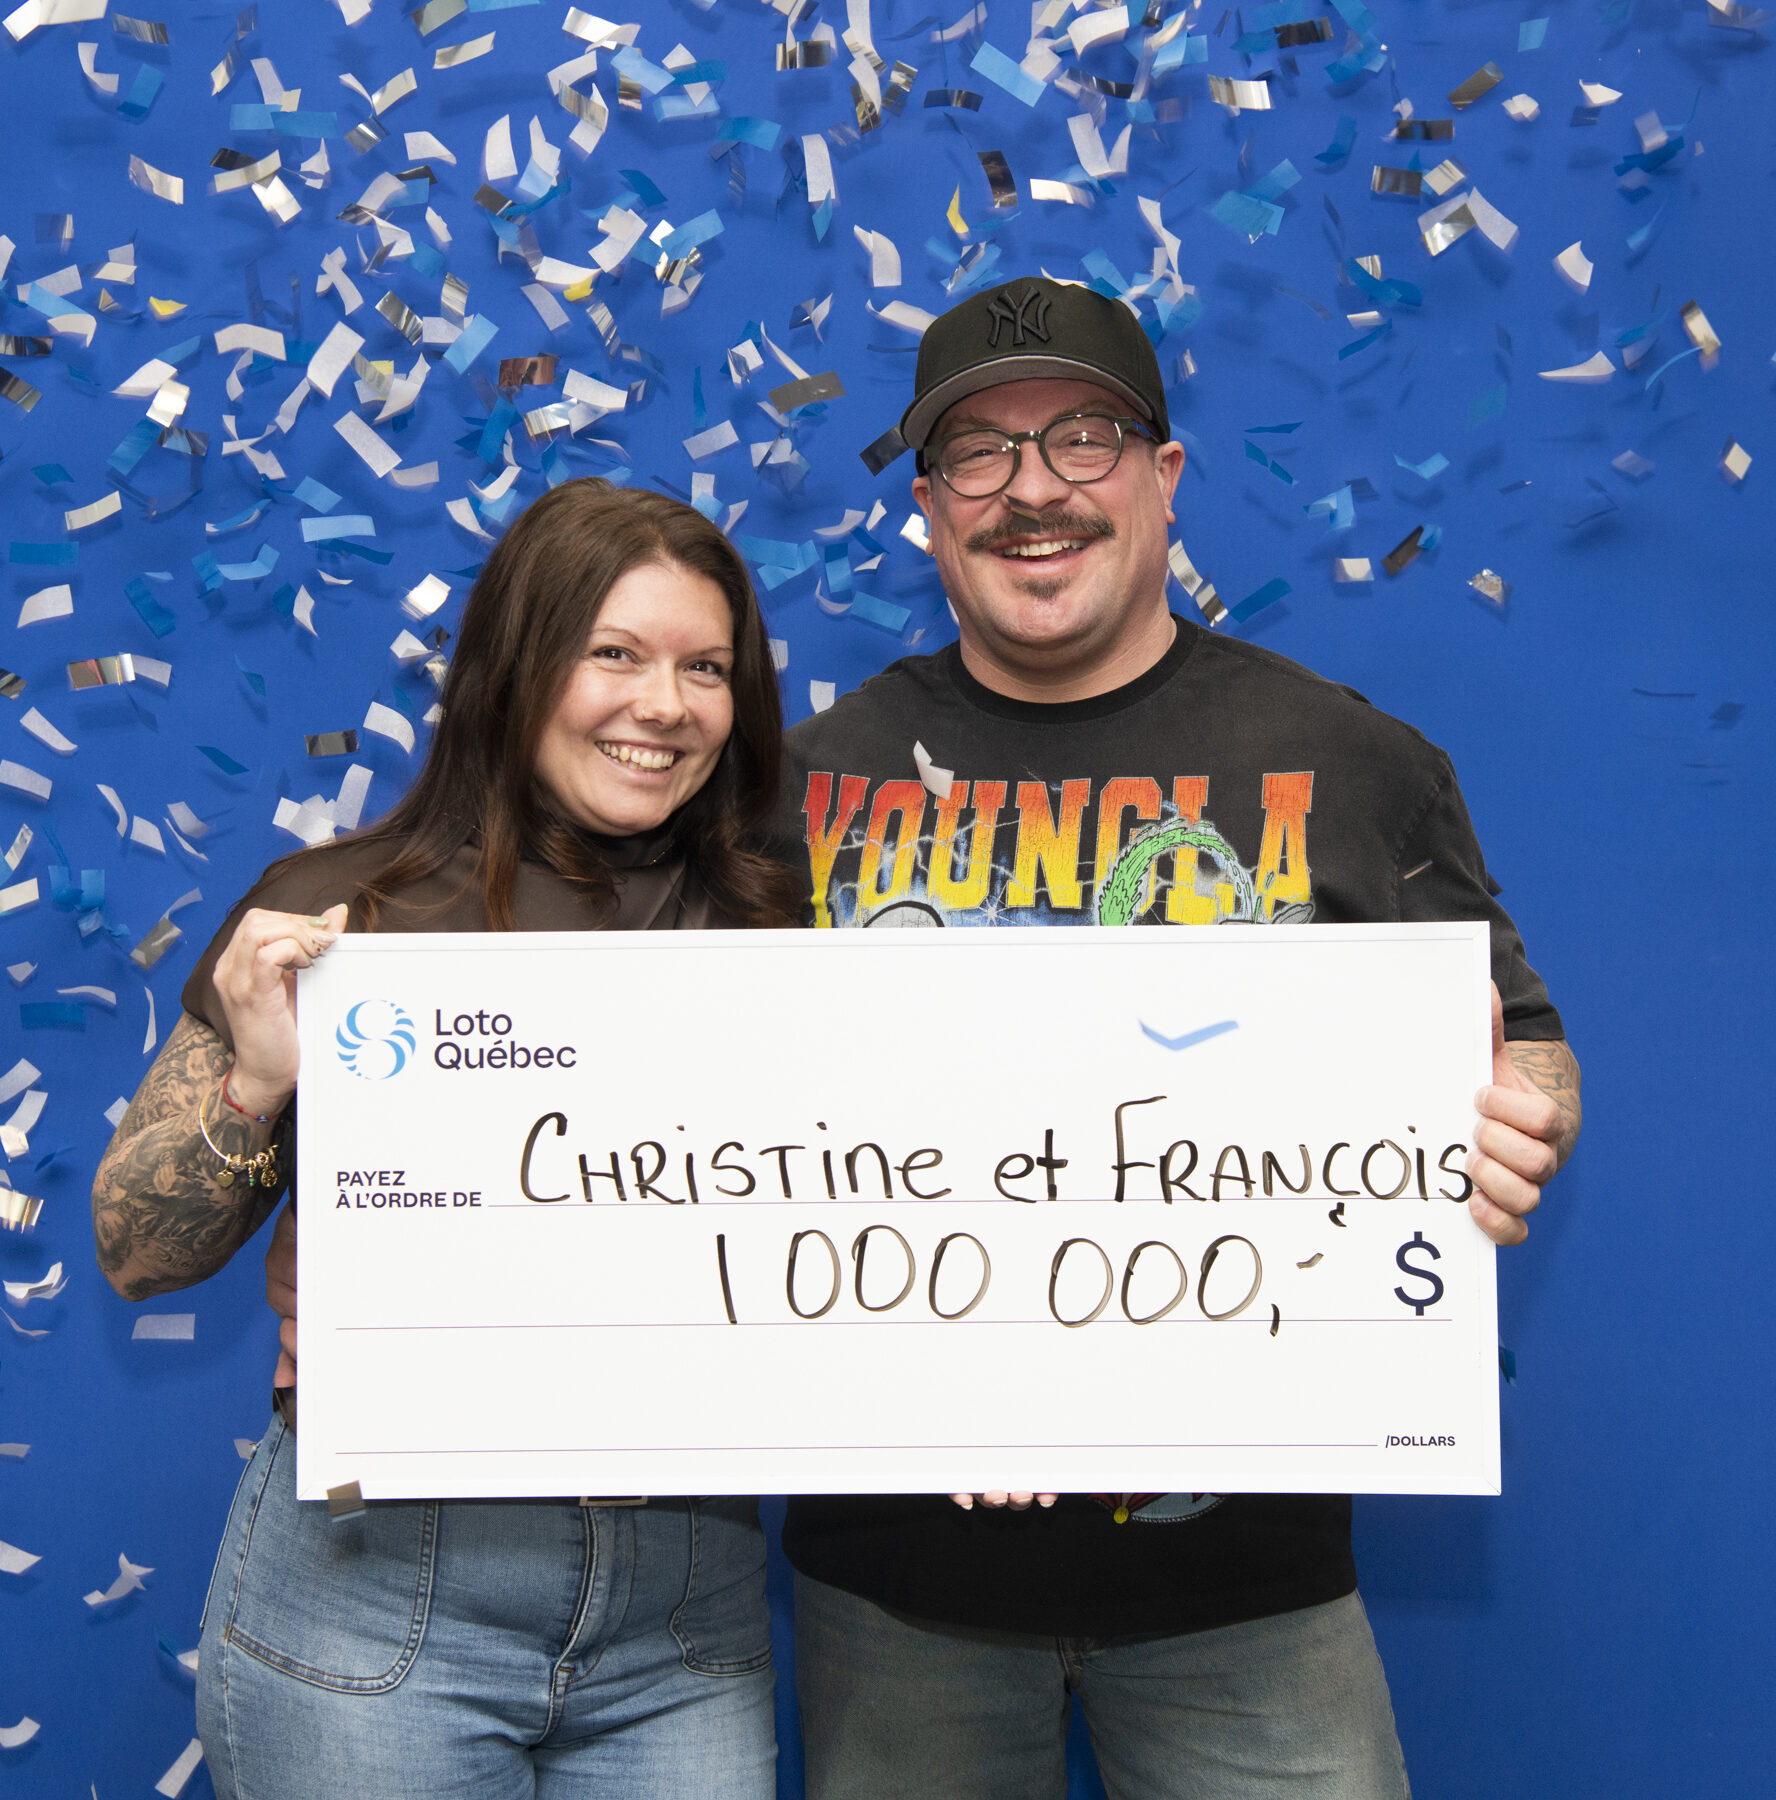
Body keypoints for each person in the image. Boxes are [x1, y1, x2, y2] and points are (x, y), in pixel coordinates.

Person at [773, 278, 1584, 1799]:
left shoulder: (1354, 760)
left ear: (1165, 475)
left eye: (1082, 437)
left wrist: (1521, 1114)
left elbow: (1521, 1040)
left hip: (1251, 1592)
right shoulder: (801, 785)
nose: (1031, 491)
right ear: (930, 513)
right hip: (897, 1594)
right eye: (976, 455)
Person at [90, 479, 798, 1800]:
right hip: (388, 1590)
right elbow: (138, 1251)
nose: (665, 705)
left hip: (688, 1611)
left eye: (707, 668)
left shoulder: (785, 926)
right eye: (614, 654)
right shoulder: (339, 913)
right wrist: (255, 1082)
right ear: (513, 669)